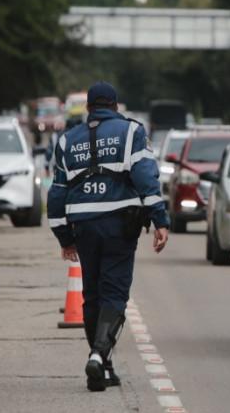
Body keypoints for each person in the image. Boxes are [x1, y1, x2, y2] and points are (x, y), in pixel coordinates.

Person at [47, 82, 170, 392]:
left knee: (92, 296)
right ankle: (98, 355)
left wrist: (64, 237)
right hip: (119, 224)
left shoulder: (67, 140)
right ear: (115, 105)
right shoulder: (131, 132)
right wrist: (160, 220)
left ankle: (104, 366)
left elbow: (57, 192)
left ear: (89, 107)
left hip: (83, 226)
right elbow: (145, 176)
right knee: (114, 293)